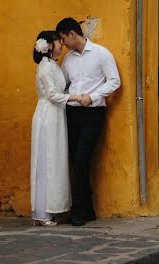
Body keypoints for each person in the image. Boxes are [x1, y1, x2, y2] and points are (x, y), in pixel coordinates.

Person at [57, 18, 121, 226]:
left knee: (81, 160)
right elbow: (64, 84)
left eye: (63, 38)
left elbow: (114, 81)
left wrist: (92, 97)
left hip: (93, 113)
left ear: (72, 34)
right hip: (72, 113)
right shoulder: (67, 59)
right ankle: (88, 210)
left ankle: (77, 212)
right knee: (76, 162)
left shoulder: (101, 54)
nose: (63, 42)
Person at [31, 31, 89, 225]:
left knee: (55, 161)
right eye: (58, 41)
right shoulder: (45, 68)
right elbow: (53, 95)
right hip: (48, 115)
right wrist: (78, 97)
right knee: (47, 161)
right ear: (49, 46)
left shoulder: (53, 66)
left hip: (57, 115)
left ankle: (52, 207)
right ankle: (43, 211)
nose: (62, 44)